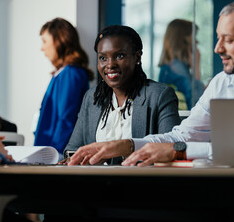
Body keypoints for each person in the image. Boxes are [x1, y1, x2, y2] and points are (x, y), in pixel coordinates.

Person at [68, 0, 234, 169]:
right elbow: (182, 135)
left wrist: (178, 151)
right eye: (217, 38)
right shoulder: (222, 83)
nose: (217, 49)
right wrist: (127, 144)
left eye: (228, 40)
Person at [63, 25, 181, 165]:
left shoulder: (159, 95)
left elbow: (171, 151)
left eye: (119, 56)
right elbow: (73, 149)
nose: (110, 64)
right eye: (103, 58)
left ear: (137, 57)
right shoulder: (92, 97)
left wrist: (112, 155)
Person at [34, 17, 94, 160]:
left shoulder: (71, 74)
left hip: (56, 153)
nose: (42, 48)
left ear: (59, 41)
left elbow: (66, 118)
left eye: (44, 41)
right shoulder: (61, 74)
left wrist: (55, 154)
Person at [158, 19, 204, 110]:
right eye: (194, 38)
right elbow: (197, 105)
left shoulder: (171, 67)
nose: (197, 42)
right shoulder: (178, 69)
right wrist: (196, 68)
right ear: (184, 41)